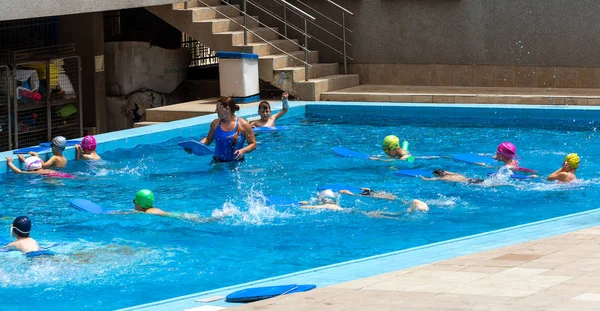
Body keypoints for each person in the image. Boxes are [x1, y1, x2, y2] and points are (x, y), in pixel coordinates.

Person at [192, 97, 256, 162]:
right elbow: (208, 139)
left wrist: (243, 150)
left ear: (227, 109)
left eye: (218, 108)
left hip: (236, 164)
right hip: (217, 162)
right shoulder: (215, 123)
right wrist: (195, 146)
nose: (216, 110)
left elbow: (253, 144)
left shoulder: (243, 124)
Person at [131, 189, 218, 222]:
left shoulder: (148, 212)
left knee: (202, 221)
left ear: (139, 204)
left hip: (177, 216)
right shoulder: (152, 209)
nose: (134, 203)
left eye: (134, 201)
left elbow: (128, 213)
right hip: (176, 215)